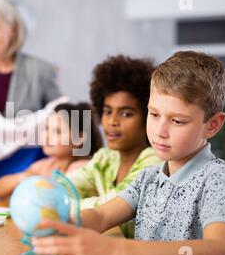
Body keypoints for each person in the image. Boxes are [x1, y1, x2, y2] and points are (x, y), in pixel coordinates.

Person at [32, 51, 225, 255]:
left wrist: (121, 251)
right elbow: (100, 215)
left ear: (213, 125)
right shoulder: (149, 178)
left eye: (177, 121)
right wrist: (63, 224)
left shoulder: (218, 180)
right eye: (154, 114)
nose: (160, 131)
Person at [67, 55, 161, 238]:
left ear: (148, 117)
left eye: (126, 114)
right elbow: (64, 185)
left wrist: (57, 204)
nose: (112, 121)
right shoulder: (106, 158)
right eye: (107, 111)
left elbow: (108, 206)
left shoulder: (154, 160)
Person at [0, 102, 103, 198]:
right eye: (47, 129)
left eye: (57, 131)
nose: (47, 136)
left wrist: (33, 181)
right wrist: (23, 177)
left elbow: (58, 195)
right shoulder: (45, 165)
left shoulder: (83, 167)